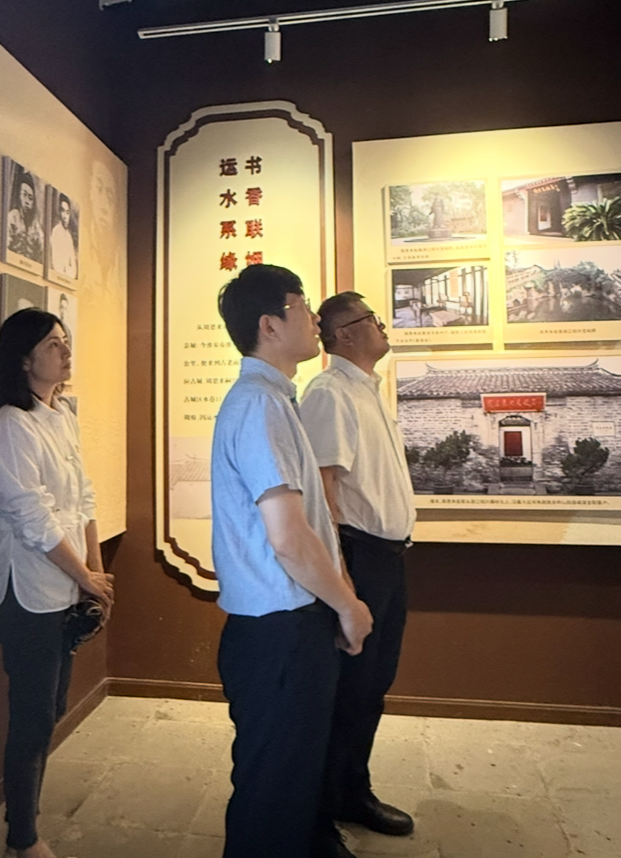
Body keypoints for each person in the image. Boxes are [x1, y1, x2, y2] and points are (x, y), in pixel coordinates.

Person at [211, 264, 373, 858]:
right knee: (272, 796)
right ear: (270, 325)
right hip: (280, 631)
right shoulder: (260, 405)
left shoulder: (275, 399)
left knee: (288, 782)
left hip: (287, 626)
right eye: (302, 306)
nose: (313, 318)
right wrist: (349, 605)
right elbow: (288, 537)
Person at [0, 308, 114, 858]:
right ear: (23, 358)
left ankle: (22, 817)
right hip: (28, 590)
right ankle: (23, 839)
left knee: (51, 709)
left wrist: (95, 573)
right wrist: (85, 575)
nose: (65, 351)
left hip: (68, 583)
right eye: (53, 344)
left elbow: (82, 498)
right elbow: (33, 520)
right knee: (33, 717)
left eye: (65, 341)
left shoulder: (60, 416)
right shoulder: (9, 427)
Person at [301, 293, 417, 842]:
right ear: (345, 333)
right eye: (372, 319)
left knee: (372, 684)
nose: (382, 326)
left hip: (387, 557)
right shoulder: (329, 392)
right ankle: (322, 807)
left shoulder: (366, 388)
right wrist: (343, 580)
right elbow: (322, 492)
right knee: (348, 687)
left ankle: (353, 790)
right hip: (358, 555)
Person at [8, 165, 45, 264]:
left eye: (30, 198)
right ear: (19, 196)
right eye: (24, 195)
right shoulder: (12, 217)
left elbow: (42, 255)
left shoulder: (36, 227)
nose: (27, 201)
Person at [49, 193, 78, 279]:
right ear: (59, 212)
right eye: (63, 211)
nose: (65, 216)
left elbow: (74, 270)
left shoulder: (69, 236)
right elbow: (57, 265)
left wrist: (68, 270)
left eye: (67, 212)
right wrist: (66, 270)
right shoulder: (56, 231)